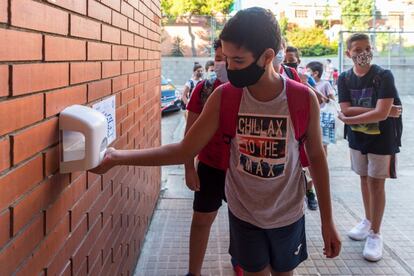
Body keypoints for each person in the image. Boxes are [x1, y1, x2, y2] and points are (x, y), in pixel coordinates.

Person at [92, 7, 341, 276]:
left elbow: (316, 157)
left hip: (287, 214)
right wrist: (117, 158)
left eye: (238, 61)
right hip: (244, 214)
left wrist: (328, 221)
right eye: (226, 59)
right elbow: (184, 149)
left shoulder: (303, 99)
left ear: (267, 56)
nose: (229, 68)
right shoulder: (225, 97)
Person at [337, 33, 403, 262]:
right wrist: (375, 111)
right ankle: (367, 220)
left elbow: (381, 113)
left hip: (382, 140)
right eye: (357, 49)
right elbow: (348, 108)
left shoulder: (383, 75)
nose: (363, 53)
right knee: (364, 178)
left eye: (367, 48)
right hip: (358, 138)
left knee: (377, 183)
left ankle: (376, 233)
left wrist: (348, 117)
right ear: (349, 54)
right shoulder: (344, 78)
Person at [184, 39, 242, 276]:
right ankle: (193, 272)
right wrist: (189, 167)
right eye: (218, 58)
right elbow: (188, 134)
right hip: (210, 166)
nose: (223, 64)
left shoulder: (252, 90)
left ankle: (240, 261)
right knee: (201, 220)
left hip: (242, 171)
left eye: (228, 58)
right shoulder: (204, 89)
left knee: (242, 223)